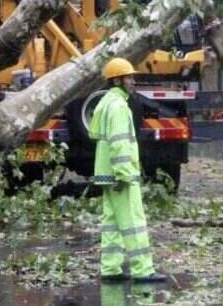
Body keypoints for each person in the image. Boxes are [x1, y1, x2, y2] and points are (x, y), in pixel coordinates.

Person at [89, 57, 166, 283]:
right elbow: (119, 144)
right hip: (119, 175)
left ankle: (111, 269)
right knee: (133, 222)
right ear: (117, 80)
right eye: (129, 77)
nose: (133, 81)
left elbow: (97, 136)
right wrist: (123, 174)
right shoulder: (119, 107)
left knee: (111, 222)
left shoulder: (104, 103)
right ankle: (143, 270)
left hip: (105, 173)